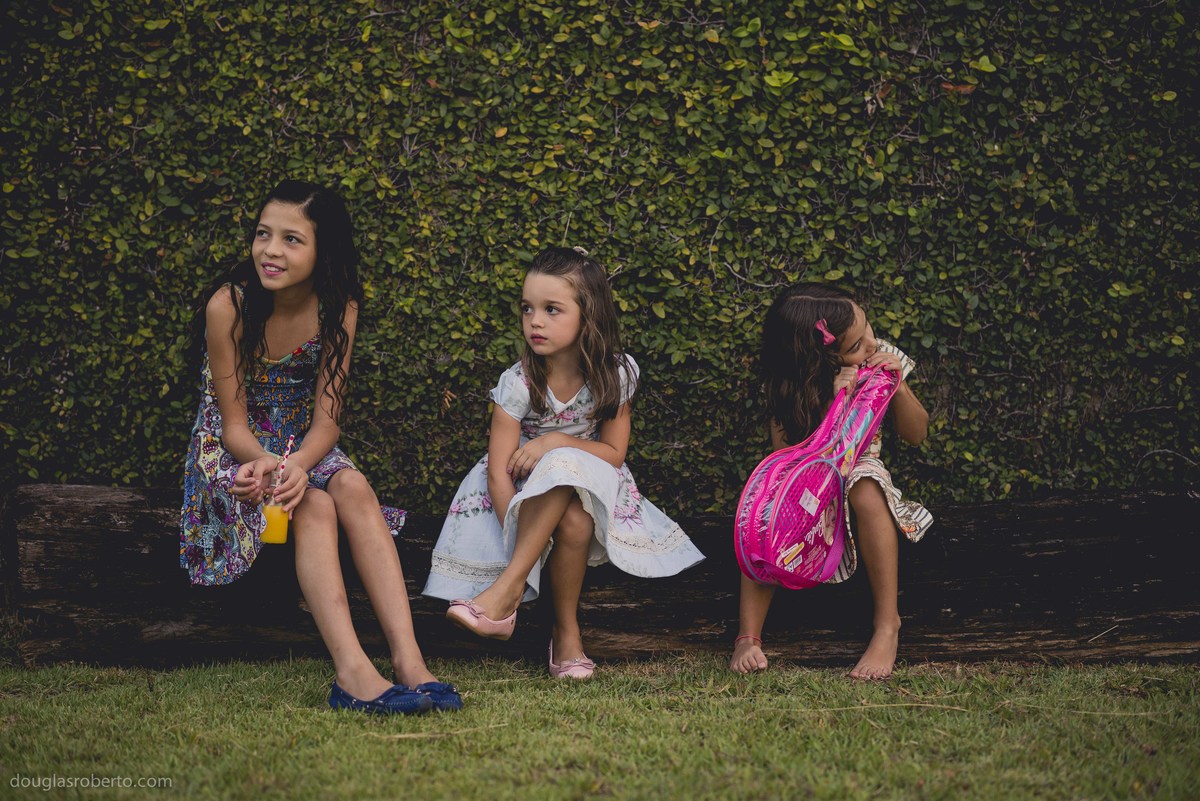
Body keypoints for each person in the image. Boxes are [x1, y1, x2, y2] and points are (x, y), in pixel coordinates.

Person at [179, 180, 460, 714]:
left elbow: (328, 423)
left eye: (292, 239)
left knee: (352, 485)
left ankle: (409, 661)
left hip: (301, 440)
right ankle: (352, 673)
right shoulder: (229, 306)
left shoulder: (338, 307)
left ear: (322, 250)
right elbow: (232, 425)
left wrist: (300, 463)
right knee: (314, 504)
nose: (271, 251)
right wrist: (269, 466)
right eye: (263, 234)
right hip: (234, 449)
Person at [423, 246, 704, 678]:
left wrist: (555, 442)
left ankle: (506, 595)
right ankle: (565, 634)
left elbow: (613, 454)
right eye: (527, 308)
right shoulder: (518, 382)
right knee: (573, 521)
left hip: (592, 477)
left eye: (551, 309)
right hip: (520, 491)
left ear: (588, 315)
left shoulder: (616, 374)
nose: (535, 321)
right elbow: (498, 473)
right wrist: (523, 535)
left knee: (562, 467)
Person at [730, 282, 933, 680]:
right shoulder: (792, 385)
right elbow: (785, 452)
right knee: (764, 512)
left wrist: (900, 386)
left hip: (862, 468)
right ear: (819, 357)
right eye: (856, 345)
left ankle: (887, 625)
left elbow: (917, 433)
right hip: (813, 474)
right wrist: (832, 403)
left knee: (865, 487)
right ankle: (748, 637)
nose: (871, 343)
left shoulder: (883, 356)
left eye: (867, 326)